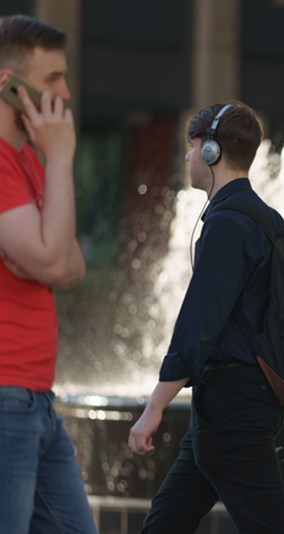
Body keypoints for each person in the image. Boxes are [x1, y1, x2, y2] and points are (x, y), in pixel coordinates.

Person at [128, 101, 284, 533]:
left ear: (211, 152)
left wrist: (154, 408)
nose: (186, 157)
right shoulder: (264, 218)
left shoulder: (228, 224)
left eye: (192, 146)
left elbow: (198, 322)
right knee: (163, 525)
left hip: (234, 411)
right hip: (230, 407)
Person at [0, 14, 96, 534]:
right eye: (51, 79)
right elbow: (57, 261)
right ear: (8, 84)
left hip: (34, 399)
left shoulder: (28, 163)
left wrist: (43, 254)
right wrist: (61, 159)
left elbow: (68, 264)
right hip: (4, 397)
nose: (64, 92)